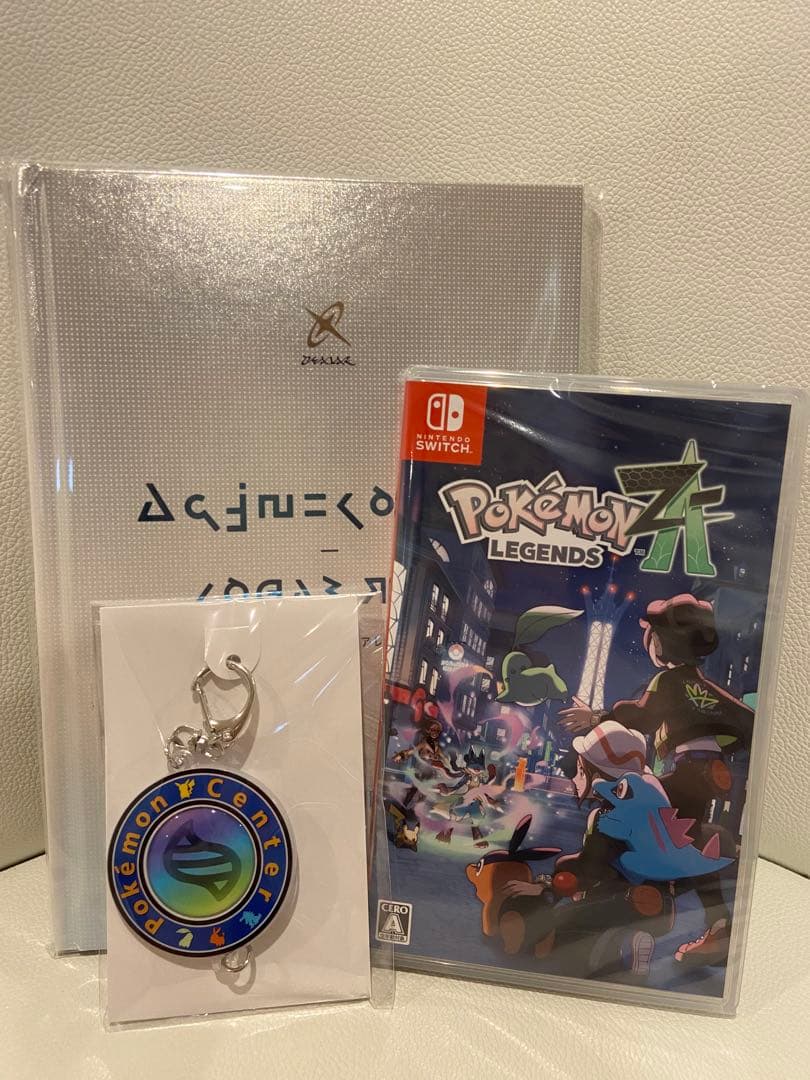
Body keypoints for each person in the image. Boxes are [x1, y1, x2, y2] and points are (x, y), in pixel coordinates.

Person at [560, 593, 753, 966]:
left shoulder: (667, 680)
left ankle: (605, 884)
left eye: (654, 637)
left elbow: (642, 716)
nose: (652, 644)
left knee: (630, 818)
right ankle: (710, 925)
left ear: (663, 641)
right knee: (685, 841)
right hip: (705, 772)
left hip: (687, 770)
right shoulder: (702, 685)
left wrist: (596, 718)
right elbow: (748, 721)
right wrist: (721, 748)